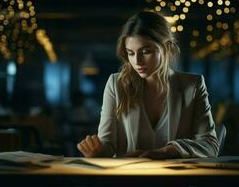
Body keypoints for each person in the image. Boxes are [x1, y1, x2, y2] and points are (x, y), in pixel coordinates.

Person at [77, 10, 219, 159]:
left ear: (167, 48)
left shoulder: (192, 86)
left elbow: (210, 145)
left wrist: (167, 151)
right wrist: (97, 151)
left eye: (145, 51)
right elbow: (108, 143)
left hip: (176, 180)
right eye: (130, 53)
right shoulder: (116, 85)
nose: (137, 61)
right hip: (127, 179)